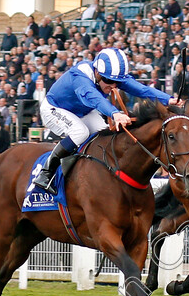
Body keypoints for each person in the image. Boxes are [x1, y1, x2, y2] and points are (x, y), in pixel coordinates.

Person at [33, 48, 181, 194]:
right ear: (97, 72)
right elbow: (94, 98)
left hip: (82, 110)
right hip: (54, 108)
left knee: (104, 136)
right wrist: (114, 113)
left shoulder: (109, 76)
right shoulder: (80, 76)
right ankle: (45, 174)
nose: (113, 86)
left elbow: (142, 90)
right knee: (80, 132)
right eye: (109, 81)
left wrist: (168, 99)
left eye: (117, 82)